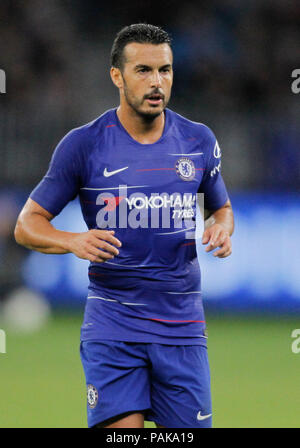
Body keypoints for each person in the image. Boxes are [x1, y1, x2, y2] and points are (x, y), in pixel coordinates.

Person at [14, 23, 234, 429]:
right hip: (113, 323)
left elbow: (220, 208)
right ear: (117, 75)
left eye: (165, 70)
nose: (157, 83)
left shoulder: (198, 141)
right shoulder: (84, 145)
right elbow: (27, 224)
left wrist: (221, 228)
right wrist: (72, 240)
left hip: (182, 326)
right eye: (144, 70)